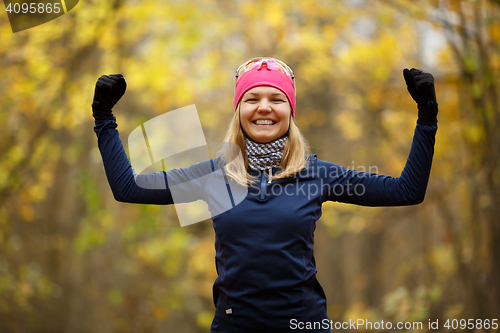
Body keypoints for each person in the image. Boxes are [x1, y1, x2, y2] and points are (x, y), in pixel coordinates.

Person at [91, 57, 438, 333]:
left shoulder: (318, 174)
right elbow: (130, 188)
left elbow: (405, 190)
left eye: (277, 98)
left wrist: (426, 118)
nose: (264, 107)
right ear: (239, 110)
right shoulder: (214, 175)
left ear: (291, 111)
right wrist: (104, 118)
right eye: (252, 98)